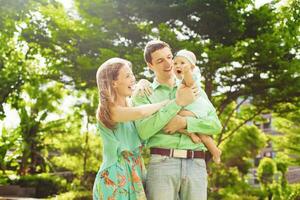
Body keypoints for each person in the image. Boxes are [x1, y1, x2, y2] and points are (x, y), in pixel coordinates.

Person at [92, 57, 197, 200]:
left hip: (136, 170)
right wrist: (170, 102)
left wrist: (143, 82)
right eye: (127, 76)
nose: (132, 79)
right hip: (115, 174)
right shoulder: (109, 110)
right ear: (114, 83)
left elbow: (152, 122)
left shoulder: (130, 103)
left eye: (132, 74)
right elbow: (141, 112)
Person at [132, 40, 223, 200]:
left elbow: (216, 125)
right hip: (162, 164)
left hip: (196, 163)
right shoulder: (143, 93)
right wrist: (177, 103)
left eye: (169, 57)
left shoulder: (194, 88)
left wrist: (185, 123)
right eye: (160, 60)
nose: (168, 64)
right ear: (150, 65)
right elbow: (143, 131)